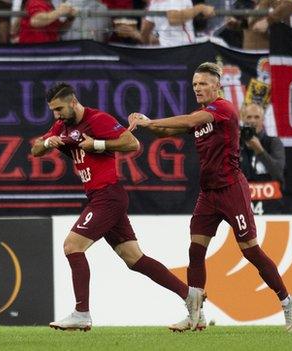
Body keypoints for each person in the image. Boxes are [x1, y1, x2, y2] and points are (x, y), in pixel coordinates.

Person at [128, 62, 292, 333]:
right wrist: (146, 123)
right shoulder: (202, 115)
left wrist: (149, 121)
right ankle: (195, 315)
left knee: (251, 251)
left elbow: (187, 121)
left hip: (231, 189)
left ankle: (288, 302)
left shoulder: (222, 109)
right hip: (208, 193)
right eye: (194, 84)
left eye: (203, 83)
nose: (197, 88)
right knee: (195, 250)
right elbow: (167, 130)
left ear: (217, 86)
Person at [31, 83, 205, 332]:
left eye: (59, 109)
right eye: (53, 111)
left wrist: (97, 145)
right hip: (100, 197)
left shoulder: (97, 119)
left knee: (72, 246)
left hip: (108, 196)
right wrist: (48, 143)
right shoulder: (62, 126)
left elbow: (132, 143)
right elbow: (36, 149)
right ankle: (189, 295)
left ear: (72, 102)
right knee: (134, 258)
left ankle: (81, 313)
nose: (56, 115)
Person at [239, 103, 285, 185]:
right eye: (249, 117)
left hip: (268, 194)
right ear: (243, 119)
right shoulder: (236, 143)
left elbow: (278, 173)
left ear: (263, 120)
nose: (252, 121)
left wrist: (260, 151)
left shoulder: (274, 142)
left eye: (257, 117)